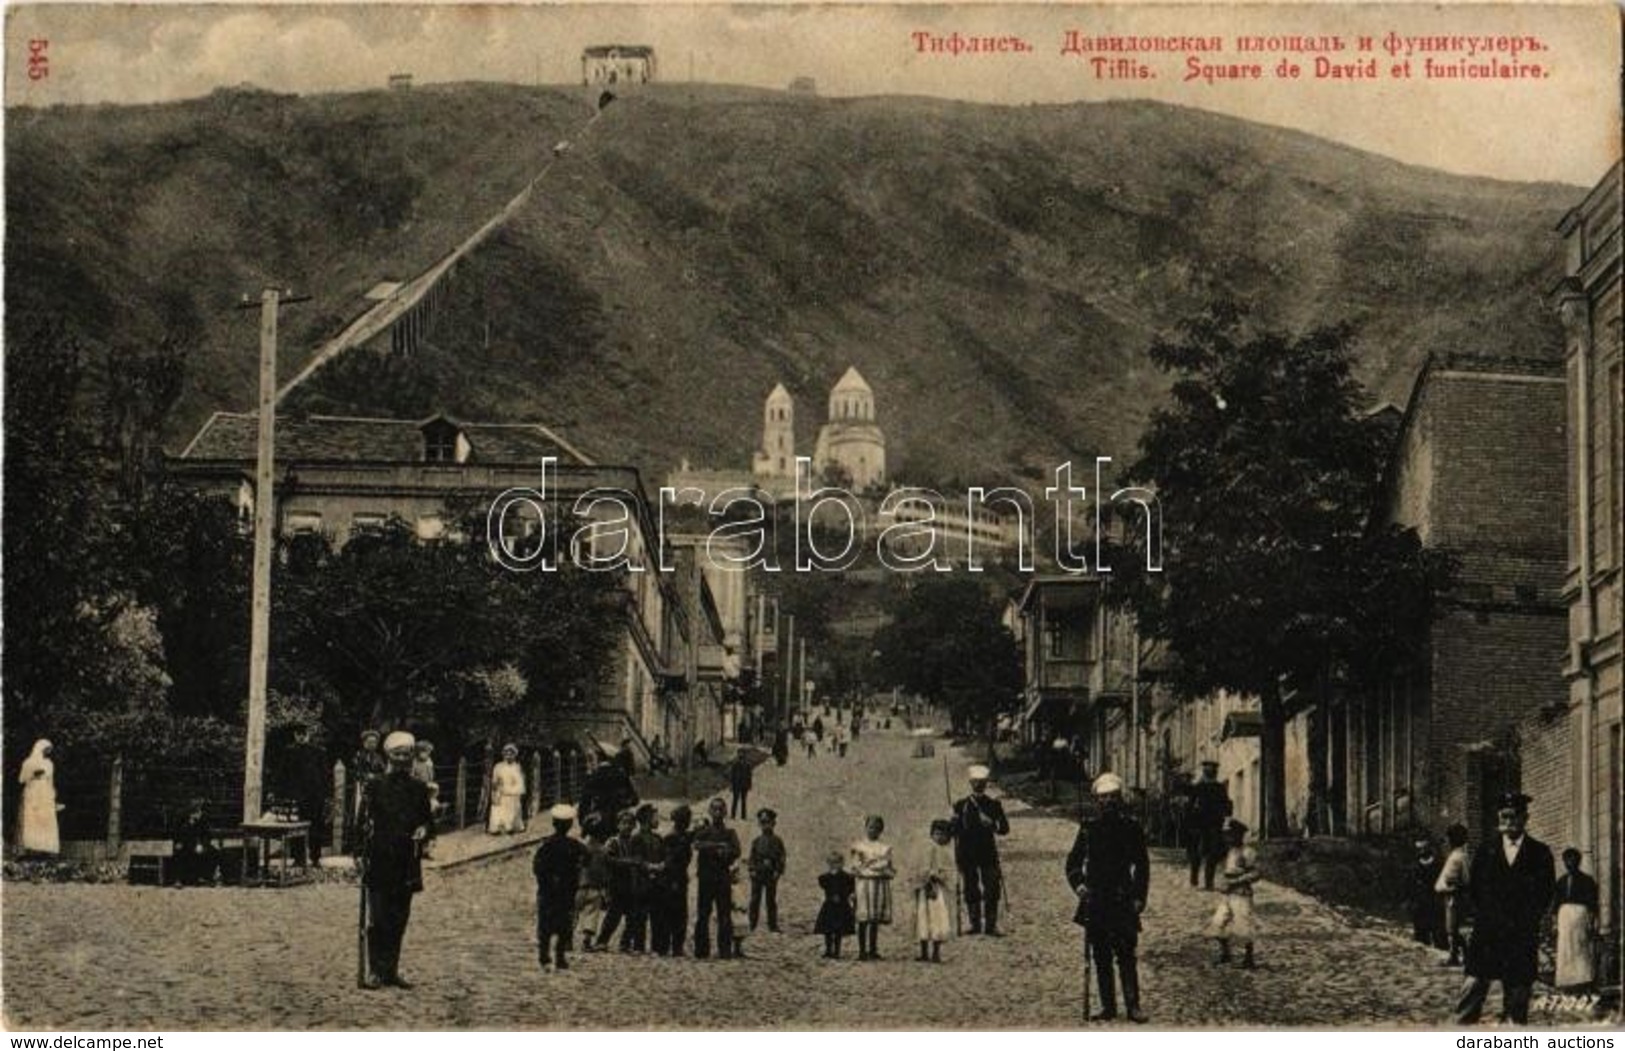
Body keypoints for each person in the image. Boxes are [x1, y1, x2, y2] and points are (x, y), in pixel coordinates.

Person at [1456, 792, 1555, 1025]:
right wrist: (1485, 918)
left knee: (1518, 998)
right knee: (1473, 988)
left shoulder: (1540, 853)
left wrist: (1528, 920)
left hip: (1521, 935)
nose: (1508, 823)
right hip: (1488, 933)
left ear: (1525, 819)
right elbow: (1475, 890)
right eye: (1504, 817)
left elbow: (1544, 893)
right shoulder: (1485, 851)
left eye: (1513, 817)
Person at [1067, 772, 1152, 1023]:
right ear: (1097, 801)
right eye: (1103, 798)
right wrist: (1079, 885)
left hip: (1123, 899)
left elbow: (1142, 866)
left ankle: (1133, 1006)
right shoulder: (1088, 830)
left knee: (1126, 953)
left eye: (1113, 797)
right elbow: (1072, 863)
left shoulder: (1131, 828)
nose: (1109, 802)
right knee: (1101, 956)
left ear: (1120, 799)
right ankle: (1108, 1007)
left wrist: (1139, 897)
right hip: (1095, 901)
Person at [358, 731, 435, 990]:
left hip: (406, 860)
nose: (402, 759)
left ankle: (391, 970)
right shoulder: (375, 785)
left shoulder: (419, 788)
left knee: (399, 918)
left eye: (406, 754)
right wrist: (359, 854)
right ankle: (375, 971)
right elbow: (360, 824)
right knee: (378, 918)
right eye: (397, 754)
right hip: (379, 858)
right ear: (388, 756)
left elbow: (428, 821)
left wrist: (424, 830)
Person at [951, 764, 1010, 935]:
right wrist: (953, 823)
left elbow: (1004, 829)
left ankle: (991, 925)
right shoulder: (961, 805)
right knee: (971, 887)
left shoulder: (993, 805)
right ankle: (974, 923)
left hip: (987, 852)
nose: (978, 785)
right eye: (975, 782)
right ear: (970, 783)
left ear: (986, 783)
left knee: (992, 888)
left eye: (982, 782)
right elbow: (954, 832)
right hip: (967, 852)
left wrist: (992, 825)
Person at [533, 804, 588, 971]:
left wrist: (545, 882)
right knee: (564, 924)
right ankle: (560, 956)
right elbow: (587, 858)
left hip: (548, 891)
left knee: (545, 924)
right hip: (566, 890)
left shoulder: (547, 844)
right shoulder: (574, 845)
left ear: (553, 823)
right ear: (570, 825)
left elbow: (537, 866)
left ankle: (544, 955)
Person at [1204, 818, 1260, 969]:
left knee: (1244, 926)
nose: (1227, 838)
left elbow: (1256, 873)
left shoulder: (1247, 852)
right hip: (1227, 895)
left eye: (1231, 835)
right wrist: (1221, 882)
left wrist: (1238, 880)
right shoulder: (1230, 852)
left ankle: (1249, 957)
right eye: (1226, 835)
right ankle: (1225, 952)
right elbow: (1225, 870)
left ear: (1239, 835)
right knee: (1218, 923)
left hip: (1241, 895)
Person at [692, 798, 742, 959]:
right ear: (710, 811)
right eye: (714, 809)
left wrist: (724, 852)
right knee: (703, 914)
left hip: (722, 878)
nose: (718, 813)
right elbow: (697, 844)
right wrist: (719, 846)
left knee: (724, 915)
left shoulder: (730, 833)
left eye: (721, 809)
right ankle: (701, 950)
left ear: (726, 812)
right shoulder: (704, 831)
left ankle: (725, 950)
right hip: (706, 878)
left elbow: (736, 851)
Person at [1551, 847, 1599, 992]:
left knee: (1580, 947)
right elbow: (1556, 903)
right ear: (1564, 862)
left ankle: (1582, 978)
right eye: (1567, 860)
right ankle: (1567, 979)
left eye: (1573, 859)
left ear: (1578, 861)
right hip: (1564, 917)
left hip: (1580, 916)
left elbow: (1592, 903)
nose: (1570, 863)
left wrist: (1592, 921)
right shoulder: (1561, 881)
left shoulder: (1587, 880)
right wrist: (1554, 922)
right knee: (1565, 948)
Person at [850, 814, 896, 961]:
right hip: (863, 886)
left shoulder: (884, 848)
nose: (873, 831)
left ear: (881, 830)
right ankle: (862, 951)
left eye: (876, 828)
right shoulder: (858, 846)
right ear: (865, 828)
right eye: (870, 827)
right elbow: (856, 866)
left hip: (878, 886)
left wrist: (869, 865)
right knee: (863, 918)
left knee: (874, 919)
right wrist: (872, 866)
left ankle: (873, 949)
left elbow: (886, 866)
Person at [652, 805, 694, 956]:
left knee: (677, 913)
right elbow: (671, 861)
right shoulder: (673, 838)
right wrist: (674, 880)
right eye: (687, 819)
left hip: (679, 877)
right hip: (673, 878)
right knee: (674, 913)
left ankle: (675, 946)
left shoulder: (682, 836)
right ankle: (669, 946)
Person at [912, 819, 956, 963]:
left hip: (939, 892)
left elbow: (950, 872)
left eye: (942, 834)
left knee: (938, 919)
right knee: (924, 919)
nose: (939, 837)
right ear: (932, 834)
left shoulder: (946, 853)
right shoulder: (926, 849)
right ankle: (924, 951)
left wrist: (939, 876)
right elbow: (919, 867)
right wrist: (924, 877)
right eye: (936, 833)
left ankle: (936, 952)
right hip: (925, 890)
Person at [1184, 760, 1231, 891]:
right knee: (1197, 853)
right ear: (1204, 772)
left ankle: (1208, 882)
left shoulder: (1220, 787)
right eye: (1208, 770)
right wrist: (1190, 824)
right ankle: (1194, 879)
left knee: (1213, 853)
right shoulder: (1197, 787)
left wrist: (1226, 816)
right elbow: (1189, 807)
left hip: (1214, 825)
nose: (1210, 773)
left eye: (1213, 770)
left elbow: (1226, 804)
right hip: (1198, 825)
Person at [1436, 823, 1472, 967]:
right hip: (1449, 895)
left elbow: (1466, 878)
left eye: (1450, 838)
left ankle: (1458, 955)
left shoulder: (1460, 856)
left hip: (1455, 896)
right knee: (1450, 927)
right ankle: (1457, 954)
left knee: (1453, 927)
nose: (1448, 841)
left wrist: (1454, 887)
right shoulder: (1455, 855)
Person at [17, 739, 60, 856]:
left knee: (45, 819)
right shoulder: (28, 762)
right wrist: (33, 774)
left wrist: (52, 795)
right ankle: (32, 849)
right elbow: (21, 779)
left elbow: (51, 781)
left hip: (45, 793)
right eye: (45, 750)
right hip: (33, 791)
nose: (47, 753)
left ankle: (46, 848)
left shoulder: (49, 764)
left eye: (49, 751)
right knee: (33, 819)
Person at [576, 813, 612, 952]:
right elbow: (604, 872)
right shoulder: (603, 851)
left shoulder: (582, 848)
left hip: (580, 885)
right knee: (592, 914)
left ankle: (566, 939)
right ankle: (586, 940)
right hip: (595, 887)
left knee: (573, 912)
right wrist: (605, 886)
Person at [749, 808, 787, 933]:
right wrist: (752, 869)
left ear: (773, 823)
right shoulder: (756, 841)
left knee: (770, 900)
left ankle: (772, 924)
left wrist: (778, 871)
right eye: (762, 822)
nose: (765, 825)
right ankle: (752, 923)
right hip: (758, 873)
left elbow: (781, 857)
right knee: (755, 899)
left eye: (768, 822)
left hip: (770, 874)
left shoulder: (777, 841)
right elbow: (752, 857)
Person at [1406, 832, 1447, 950]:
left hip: (1434, 900)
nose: (1421, 849)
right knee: (1420, 932)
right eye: (1419, 847)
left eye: (1424, 846)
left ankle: (1441, 950)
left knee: (1438, 930)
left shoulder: (1438, 862)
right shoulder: (1414, 863)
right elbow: (1410, 882)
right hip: (1419, 901)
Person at [816, 850, 857, 959]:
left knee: (839, 930)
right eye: (832, 863)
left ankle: (837, 951)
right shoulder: (826, 877)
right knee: (828, 930)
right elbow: (823, 884)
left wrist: (844, 895)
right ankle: (828, 950)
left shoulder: (846, 877)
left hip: (841, 905)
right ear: (828, 864)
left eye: (837, 862)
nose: (835, 865)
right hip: (829, 905)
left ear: (842, 863)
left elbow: (850, 888)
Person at [172, 798, 220, 886]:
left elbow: (207, 835)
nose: (200, 814)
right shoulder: (183, 819)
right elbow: (178, 833)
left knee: (213, 851)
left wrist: (202, 844)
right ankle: (178, 879)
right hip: (185, 844)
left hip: (199, 845)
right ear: (192, 812)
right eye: (198, 812)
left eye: (200, 811)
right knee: (179, 851)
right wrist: (180, 841)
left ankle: (207, 877)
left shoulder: (203, 820)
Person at [487, 743, 526, 835]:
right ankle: (498, 828)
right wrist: (496, 788)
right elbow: (494, 780)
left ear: (514, 755)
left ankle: (511, 826)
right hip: (501, 791)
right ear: (503, 755)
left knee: (512, 807)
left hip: (512, 791)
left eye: (511, 754)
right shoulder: (498, 766)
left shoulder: (516, 767)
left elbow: (519, 782)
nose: (508, 756)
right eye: (506, 754)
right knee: (498, 809)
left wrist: (514, 790)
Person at [351, 730, 387, 821]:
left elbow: (384, 771)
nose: (372, 744)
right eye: (369, 742)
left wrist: (376, 776)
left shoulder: (378, 757)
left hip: (375, 784)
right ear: (364, 743)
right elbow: (355, 770)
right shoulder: (359, 755)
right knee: (360, 805)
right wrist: (365, 776)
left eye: (374, 742)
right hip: (362, 783)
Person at [729, 751, 754, 820]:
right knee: (735, 800)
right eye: (740, 756)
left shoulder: (747, 765)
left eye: (743, 756)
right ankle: (733, 815)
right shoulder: (735, 765)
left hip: (744, 785)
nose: (741, 758)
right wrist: (731, 785)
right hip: (736, 785)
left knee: (743, 801)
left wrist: (749, 785)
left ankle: (743, 816)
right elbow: (732, 776)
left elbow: (749, 776)